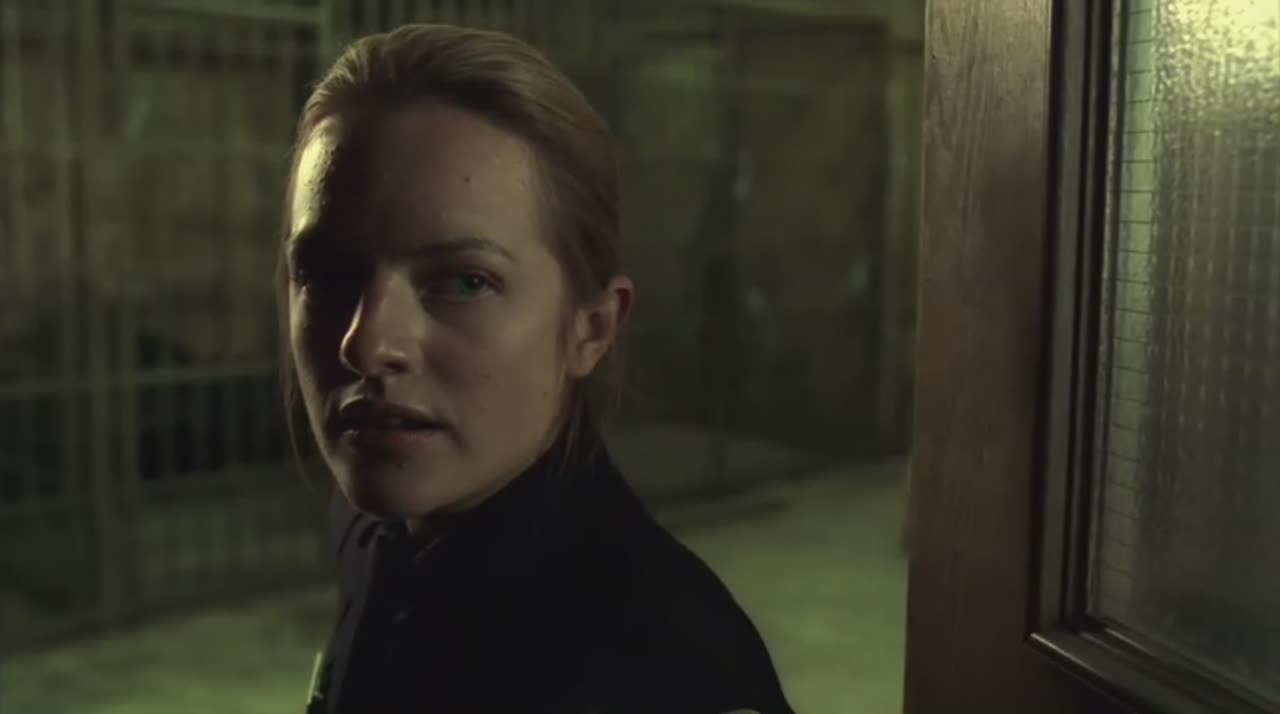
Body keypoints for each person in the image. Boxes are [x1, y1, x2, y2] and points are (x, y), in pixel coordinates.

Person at [277, 23, 795, 714]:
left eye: (463, 282)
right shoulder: (379, 524)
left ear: (592, 328)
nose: (366, 344)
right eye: (327, 273)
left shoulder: (670, 673)